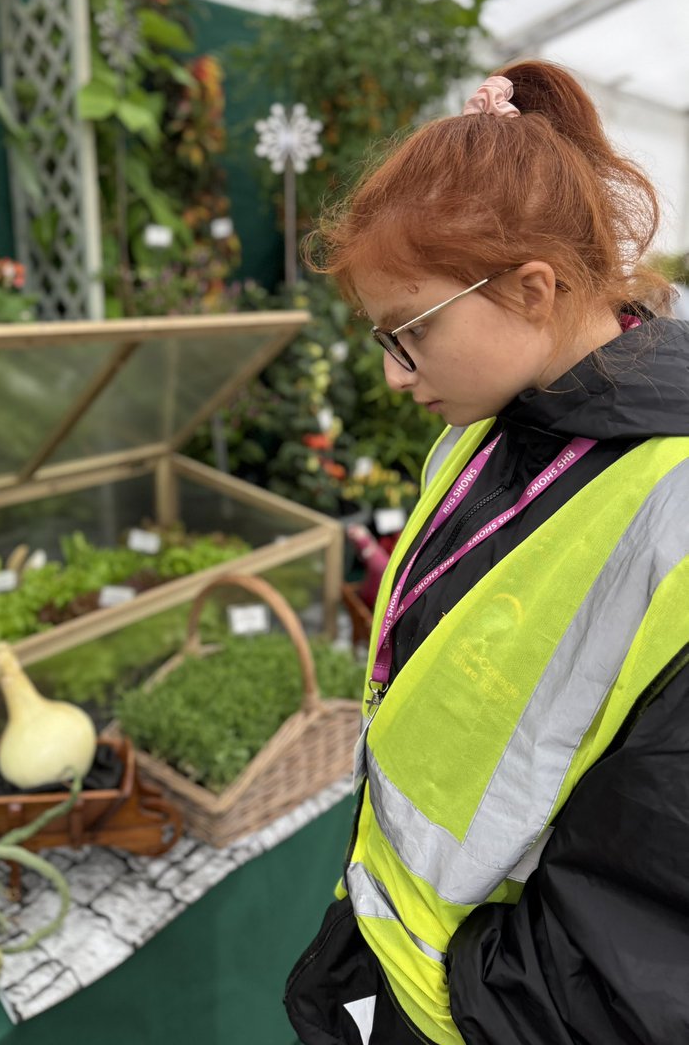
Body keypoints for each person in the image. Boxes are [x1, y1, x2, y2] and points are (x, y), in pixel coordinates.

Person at [284, 60, 689, 1045]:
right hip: (411, 971)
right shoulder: (488, 427)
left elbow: (652, 938)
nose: (390, 376)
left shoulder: (670, 505)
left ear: (533, 288)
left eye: (406, 334)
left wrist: (476, 1005)